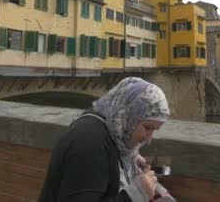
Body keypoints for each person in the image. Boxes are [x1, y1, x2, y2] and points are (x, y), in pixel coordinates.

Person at [39, 77, 171, 202]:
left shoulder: (110, 131)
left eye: (154, 130)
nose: (149, 139)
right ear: (128, 115)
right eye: (147, 128)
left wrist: (127, 157)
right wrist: (135, 194)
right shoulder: (89, 145)